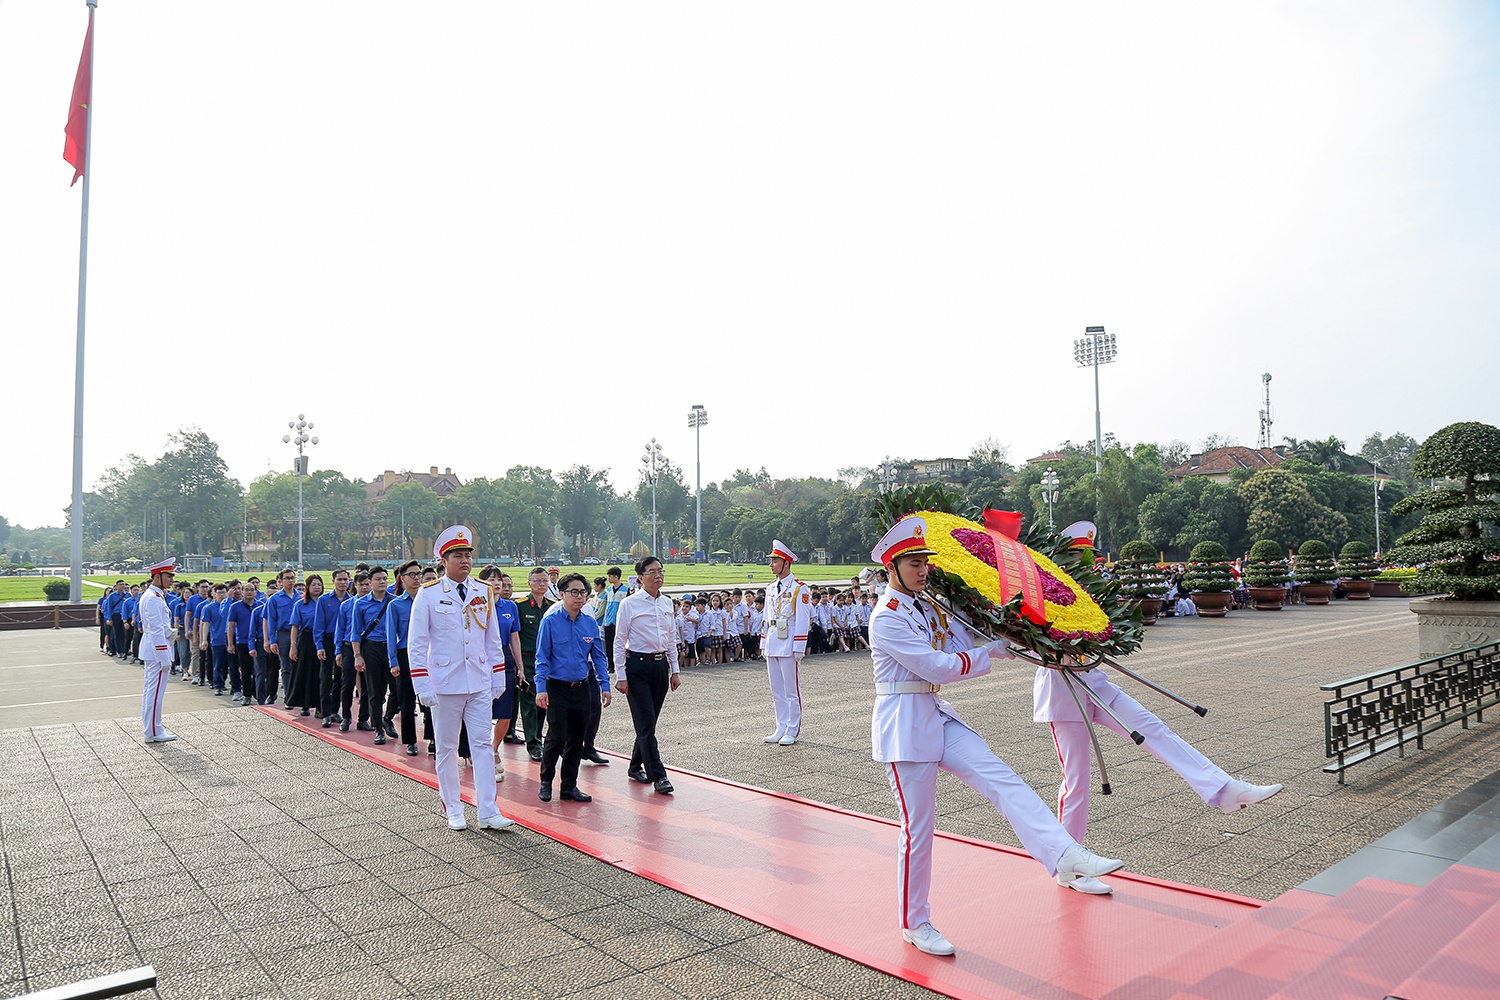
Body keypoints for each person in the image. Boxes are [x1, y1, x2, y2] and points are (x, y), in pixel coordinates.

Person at [868, 515, 1124, 957]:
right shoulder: (886, 618)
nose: (923, 569)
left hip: (935, 714)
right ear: (890, 568)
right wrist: (989, 650)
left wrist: (1013, 629)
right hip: (903, 727)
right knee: (919, 830)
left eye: (925, 562)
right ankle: (916, 922)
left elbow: (960, 639)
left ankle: (1065, 854)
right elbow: (938, 666)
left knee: (1003, 779)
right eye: (913, 564)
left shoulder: (926, 605)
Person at [407, 525, 515, 832]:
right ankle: (453, 808)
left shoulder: (483, 591)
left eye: (468, 555)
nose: (465, 561)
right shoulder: (428, 594)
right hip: (445, 682)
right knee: (447, 748)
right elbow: (416, 643)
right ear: (444, 560)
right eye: (457, 555)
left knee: (483, 746)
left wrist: (497, 676)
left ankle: (488, 810)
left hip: (479, 680)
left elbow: (493, 638)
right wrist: (422, 684)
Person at [534, 573, 613, 802]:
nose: (579, 597)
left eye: (583, 593)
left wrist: (604, 685)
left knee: (577, 739)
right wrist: (541, 688)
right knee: (556, 737)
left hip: (581, 687)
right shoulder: (550, 621)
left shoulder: (589, 622)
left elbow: (598, 657)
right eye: (574, 592)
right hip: (556, 687)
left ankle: (569, 785)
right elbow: (542, 657)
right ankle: (546, 781)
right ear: (562, 594)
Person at [612, 555, 681, 795]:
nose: (658, 575)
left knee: (648, 723)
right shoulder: (629, 604)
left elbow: (671, 638)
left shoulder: (666, 603)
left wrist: (675, 670)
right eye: (652, 572)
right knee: (645, 722)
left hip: (660, 667)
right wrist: (620, 674)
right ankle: (658, 776)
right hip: (637, 667)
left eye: (660, 571)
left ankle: (634, 766)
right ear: (640, 578)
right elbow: (619, 640)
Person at [760, 540, 810, 746]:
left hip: (789, 641)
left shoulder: (799, 588)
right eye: (771, 561)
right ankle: (780, 725)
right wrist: (763, 642)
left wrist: (799, 646)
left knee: (791, 690)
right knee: (777, 690)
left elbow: (803, 619)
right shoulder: (771, 588)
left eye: (775, 561)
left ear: (786, 563)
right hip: (773, 640)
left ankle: (792, 729)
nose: (771, 565)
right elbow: (766, 617)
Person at [512, 567, 553, 762]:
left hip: (546, 662)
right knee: (529, 703)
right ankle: (534, 744)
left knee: (543, 703)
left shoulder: (553, 606)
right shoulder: (520, 606)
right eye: (537, 580)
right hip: (527, 660)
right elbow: (514, 637)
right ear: (529, 583)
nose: (542, 584)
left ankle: (539, 738)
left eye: (545, 581)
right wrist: (517, 665)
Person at [350, 567, 395, 745]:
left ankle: (388, 717)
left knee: (397, 688)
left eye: (385, 578)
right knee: (375, 691)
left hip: (391, 648)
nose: (382, 582)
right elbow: (355, 632)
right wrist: (357, 655)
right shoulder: (360, 604)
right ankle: (378, 728)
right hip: (371, 648)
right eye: (378, 579)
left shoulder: (394, 602)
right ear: (370, 582)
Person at [384, 561, 423, 755]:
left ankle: (433, 738)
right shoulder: (396, 605)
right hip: (405, 653)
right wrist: (393, 662)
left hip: (426, 654)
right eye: (412, 574)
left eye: (419, 574)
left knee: (429, 699)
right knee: (406, 699)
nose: (416, 578)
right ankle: (410, 740)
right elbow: (391, 636)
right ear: (402, 578)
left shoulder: (427, 600)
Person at [139, 559, 178, 743]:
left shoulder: (155, 596)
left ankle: (152, 728)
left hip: (153, 647)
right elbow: (155, 629)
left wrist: (169, 632)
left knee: (151, 691)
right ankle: (153, 731)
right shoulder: (153, 598)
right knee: (154, 693)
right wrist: (164, 656)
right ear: (157, 576)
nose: (171, 579)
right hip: (156, 650)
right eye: (168, 576)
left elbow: (159, 627)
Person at [313, 569, 349, 727]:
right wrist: (319, 645)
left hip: (343, 640)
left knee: (340, 679)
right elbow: (318, 625)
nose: (343, 583)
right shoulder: (324, 600)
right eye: (340, 579)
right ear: (333, 580)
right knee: (325, 677)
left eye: (345, 580)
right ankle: (325, 712)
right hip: (328, 640)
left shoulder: (352, 600)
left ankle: (335, 709)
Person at [335, 571, 370, 731]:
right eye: (360, 584)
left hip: (368, 646)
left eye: (366, 584)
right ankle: (346, 716)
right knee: (347, 683)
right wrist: (338, 650)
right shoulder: (347, 605)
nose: (364, 587)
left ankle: (364, 718)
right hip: (349, 647)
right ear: (354, 585)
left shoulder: (375, 604)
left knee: (367, 685)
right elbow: (340, 629)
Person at [287, 574, 325, 716]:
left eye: (319, 585)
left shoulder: (325, 602)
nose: (317, 587)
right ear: (308, 587)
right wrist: (293, 646)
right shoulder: (300, 604)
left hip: (321, 639)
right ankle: (304, 704)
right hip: (306, 639)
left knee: (320, 673)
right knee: (304, 671)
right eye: (313, 585)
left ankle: (320, 705)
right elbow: (295, 626)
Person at [226, 582, 258, 706]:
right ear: (242, 592)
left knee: (259, 670)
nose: (249, 592)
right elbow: (230, 626)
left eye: (252, 590)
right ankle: (246, 695)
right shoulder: (235, 607)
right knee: (245, 669)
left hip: (257, 641)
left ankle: (257, 691)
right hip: (242, 641)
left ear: (255, 592)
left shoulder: (261, 605)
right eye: (247, 590)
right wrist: (230, 643)